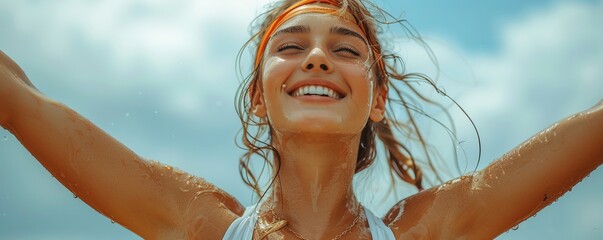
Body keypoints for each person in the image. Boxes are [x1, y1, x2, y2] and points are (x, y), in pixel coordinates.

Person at [0, 0, 601, 239]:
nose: (317, 56)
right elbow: (21, 102)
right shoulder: (198, 224)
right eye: (291, 47)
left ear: (378, 98)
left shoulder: (428, 231)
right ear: (259, 97)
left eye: (346, 50)